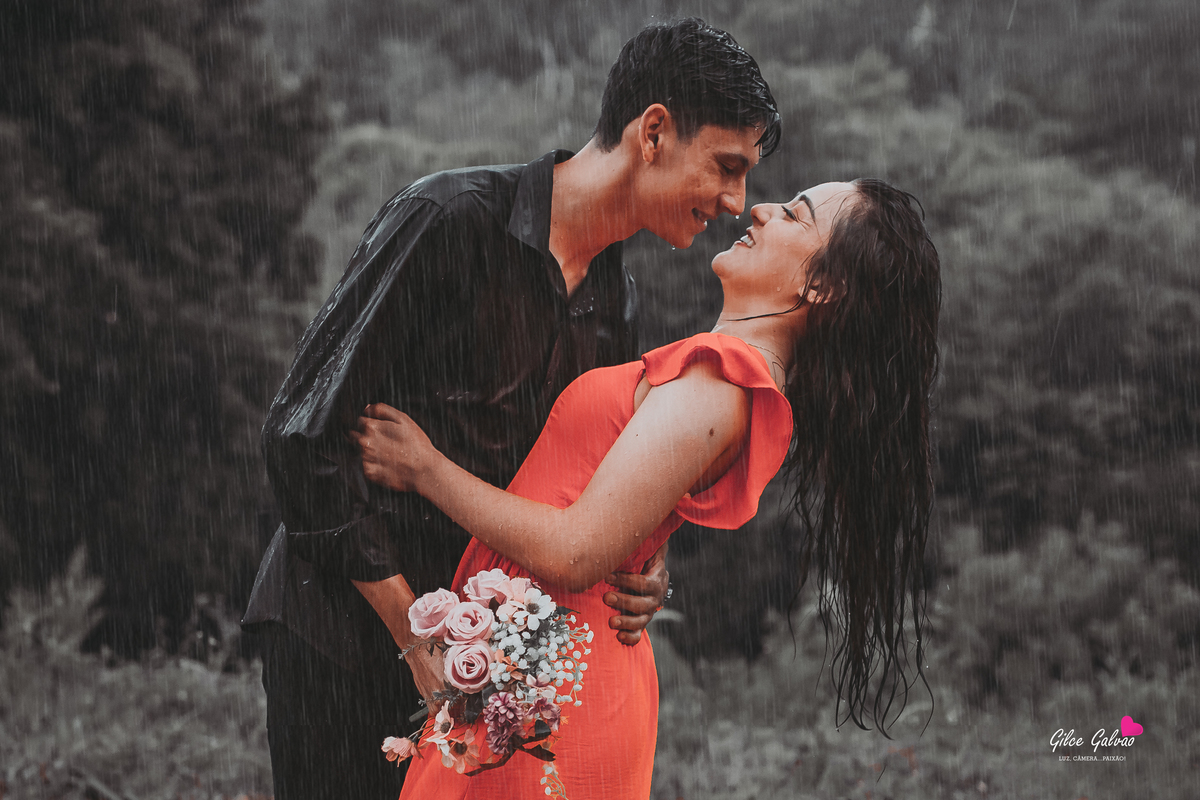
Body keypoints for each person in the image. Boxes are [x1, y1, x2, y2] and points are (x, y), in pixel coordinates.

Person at [240, 18, 781, 800]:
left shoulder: (616, 305)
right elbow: (300, 437)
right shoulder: (449, 219)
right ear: (654, 132)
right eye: (727, 168)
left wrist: (644, 562)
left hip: (480, 670)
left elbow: (584, 489)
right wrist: (414, 634)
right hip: (340, 633)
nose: (736, 202)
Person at [354, 178, 942, 799]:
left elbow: (575, 554)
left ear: (821, 285)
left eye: (795, 215)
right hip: (544, 674)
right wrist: (647, 561)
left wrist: (424, 468)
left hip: (556, 687)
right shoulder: (727, 380)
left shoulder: (721, 381)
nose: (761, 209)